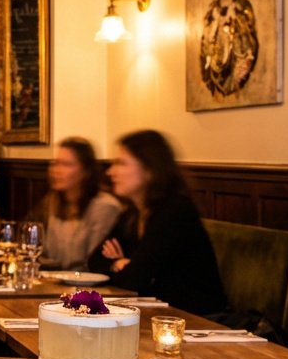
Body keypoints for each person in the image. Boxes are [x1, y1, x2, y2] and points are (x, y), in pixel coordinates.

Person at [89, 129, 228, 315]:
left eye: (121, 163)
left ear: (150, 170)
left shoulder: (175, 211)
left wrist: (122, 265)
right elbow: (95, 260)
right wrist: (119, 264)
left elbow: (134, 280)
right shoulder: (133, 212)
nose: (111, 171)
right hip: (159, 314)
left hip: (198, 320)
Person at [34, 137, 123, 270]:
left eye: (66, 164)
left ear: (85, 171)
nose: (57, 170)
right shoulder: (54, 201)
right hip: (54, 283)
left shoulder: (104, 207)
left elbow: (93, 265)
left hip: (87, 288)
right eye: (55, 163)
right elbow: (44, 255)